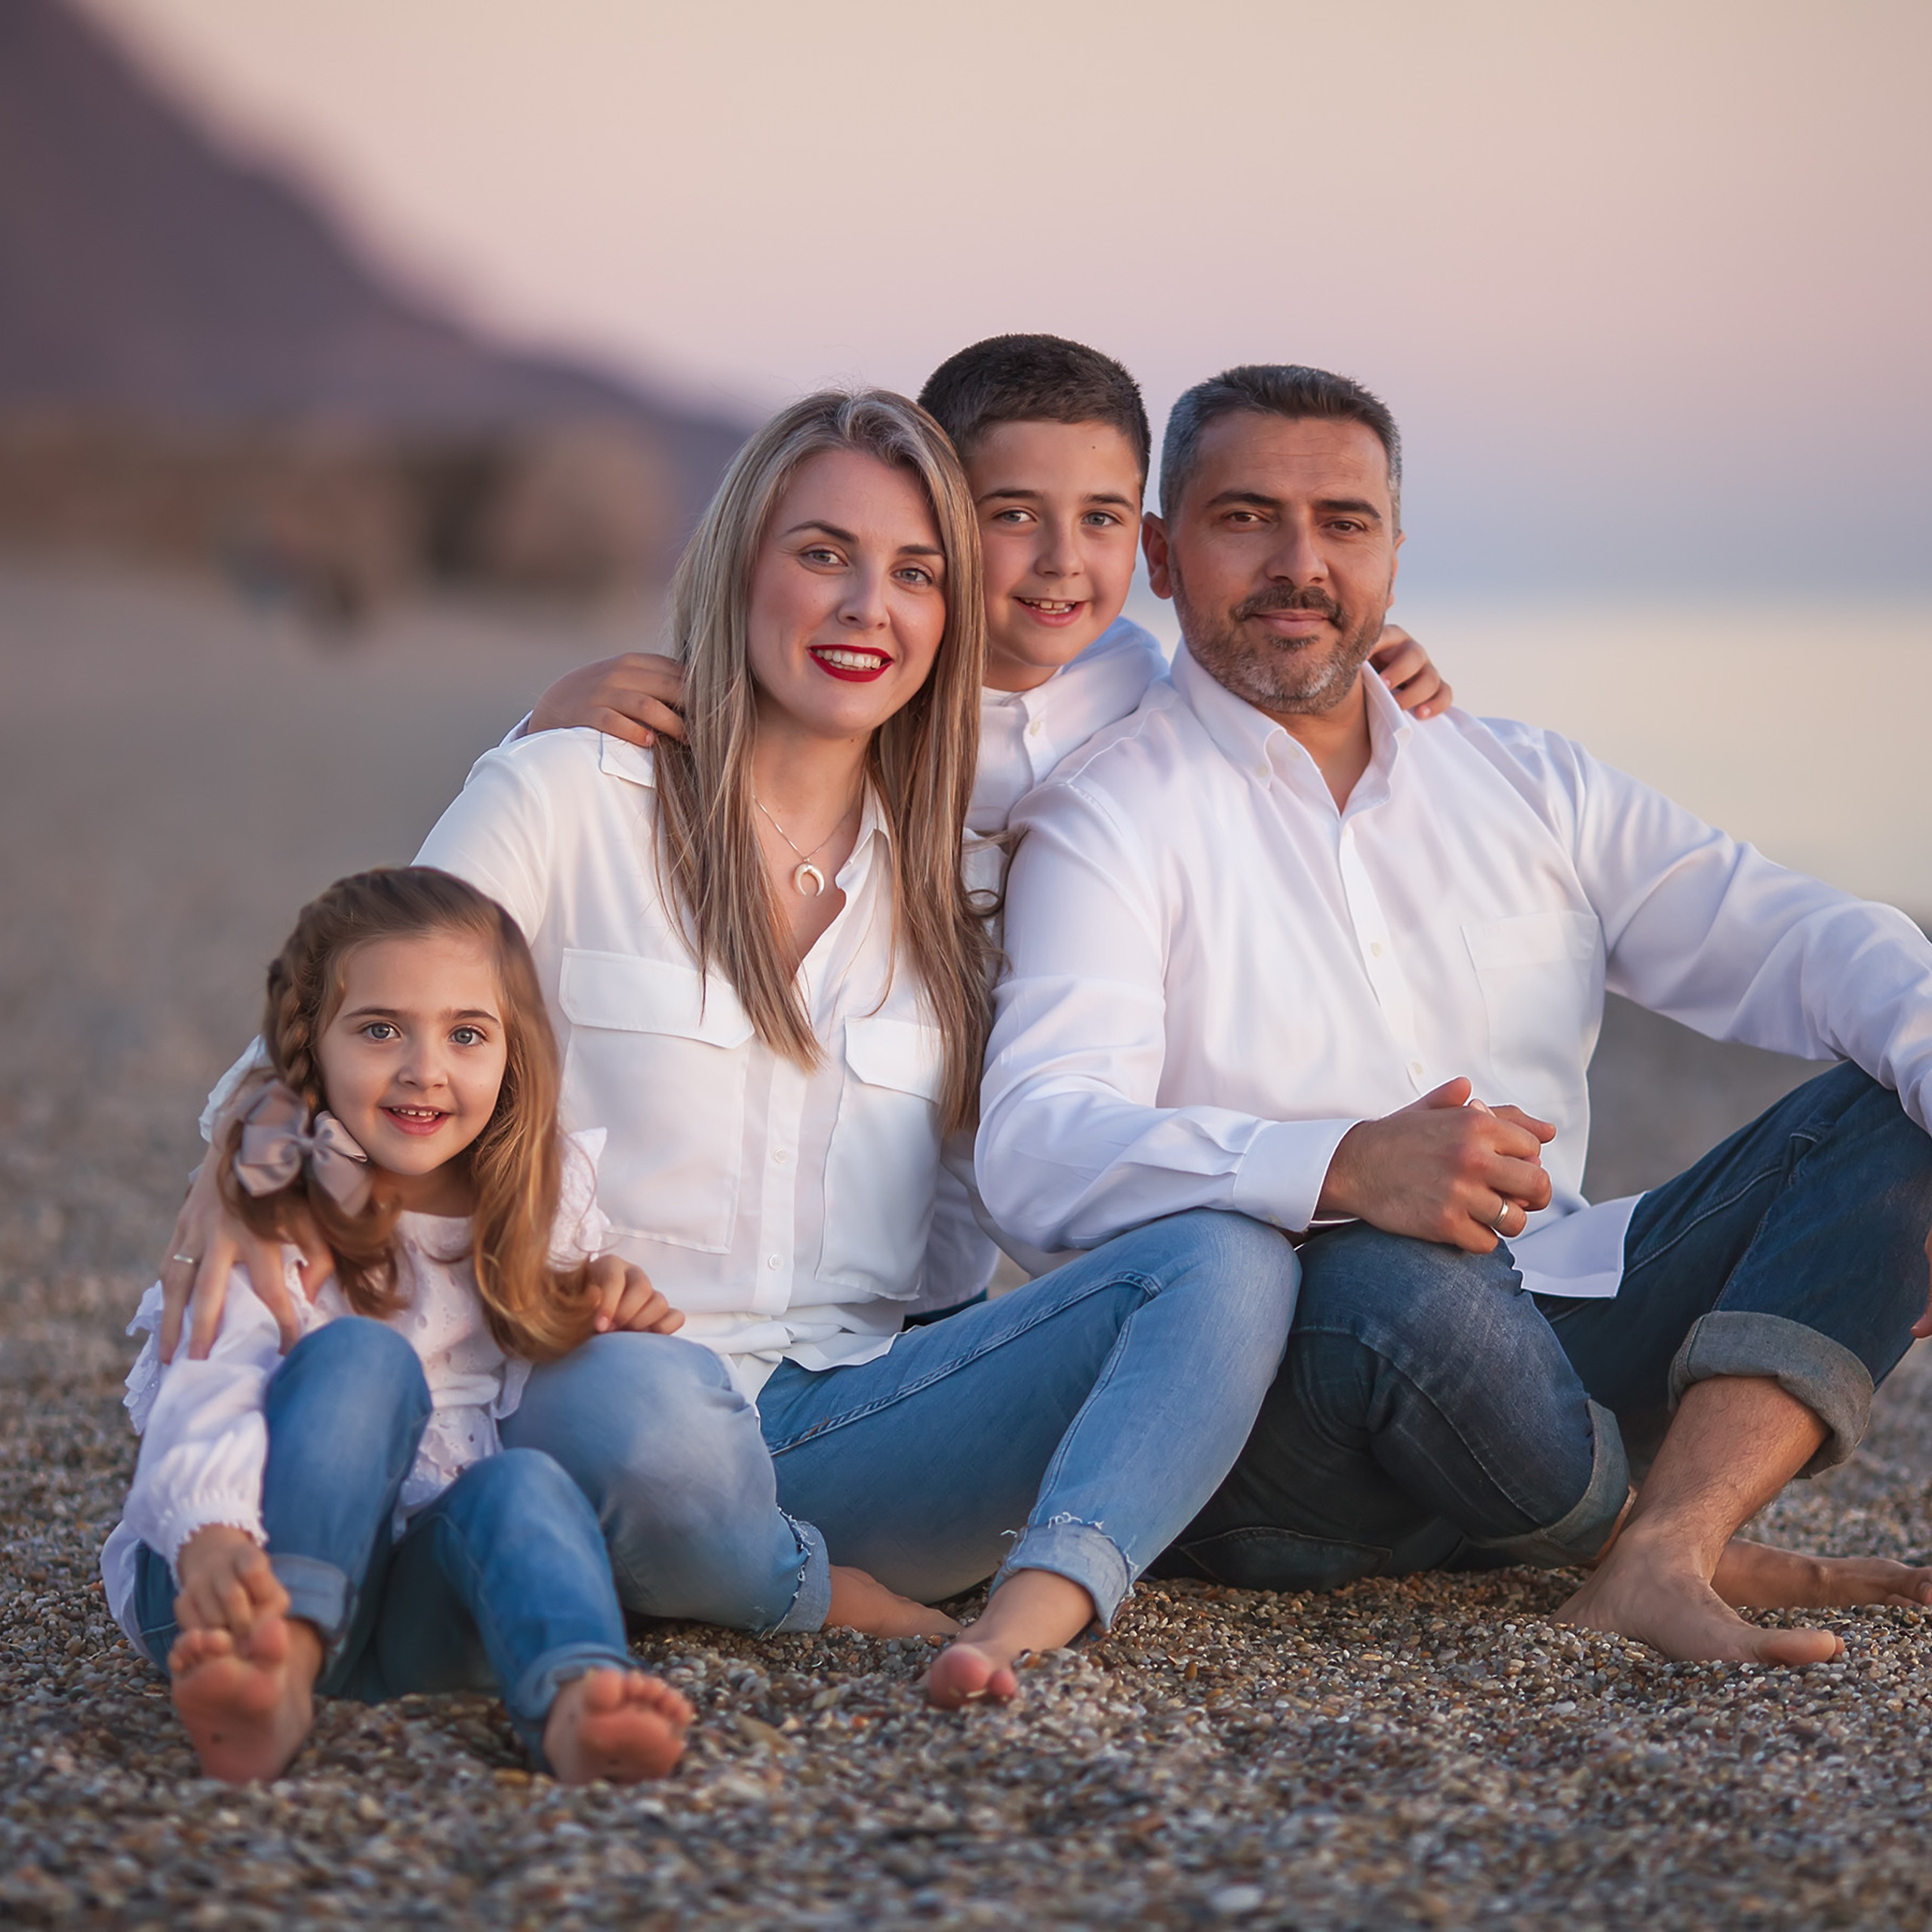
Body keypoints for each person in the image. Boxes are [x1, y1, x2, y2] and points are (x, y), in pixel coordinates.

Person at [162, 389, 1302, 1707]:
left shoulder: (959, 890)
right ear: (739, 566)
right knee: (642, 1417)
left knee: (1225, 1255)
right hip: (592, 1390)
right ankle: (784, 1588)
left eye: (916, 573)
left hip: (851, 1427)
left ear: (949, 617)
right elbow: (337, 1032)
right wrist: (245, 1164)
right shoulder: (567, 793)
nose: (870, 605)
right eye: (825, 554)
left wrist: (1383, 699)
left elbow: (1017, 1200)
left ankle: (1018, 1625)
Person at [977, 362, 1932, 1667]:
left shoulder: (1521, 779)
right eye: (1246, 517)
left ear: (1395, 552)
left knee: (1893, 1107)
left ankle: (1665, 1544)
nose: (1300, 563)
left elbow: (1801, 936)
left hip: (1565, 1343)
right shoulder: (1105, 818)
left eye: (1345, 524)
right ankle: (1622, 1534)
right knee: (1385, 1267)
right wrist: (1344, 1164)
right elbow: (1038, 1141)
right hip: (1293, 1427)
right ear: (1161, 551)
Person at [516, 334, 1453, 1312]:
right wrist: (543, 719)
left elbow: (1281, 691)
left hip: (1002, 1239)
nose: (1061, 562)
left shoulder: (1153, 692)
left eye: (1101, 519)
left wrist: (1370, 660)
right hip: (801, 1216)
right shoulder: (857, 693)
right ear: (939, 521)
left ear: (1145, 537)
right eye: (1013, 515)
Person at [103, 868, 695, 1785]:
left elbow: (533, 1388)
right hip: (226, 1582)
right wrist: (208, 1531)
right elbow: (203, 1385)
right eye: (381, 1029)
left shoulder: (530, 1207)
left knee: (524, 1482)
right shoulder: (280, 1207)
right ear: (310, 1040)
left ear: (514, 1052)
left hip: (401, 1611)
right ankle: (276, 1672)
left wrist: (594, 1302)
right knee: (363, 1360)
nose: (425, 1067)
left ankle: (575, 1699)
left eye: (467, 1033)